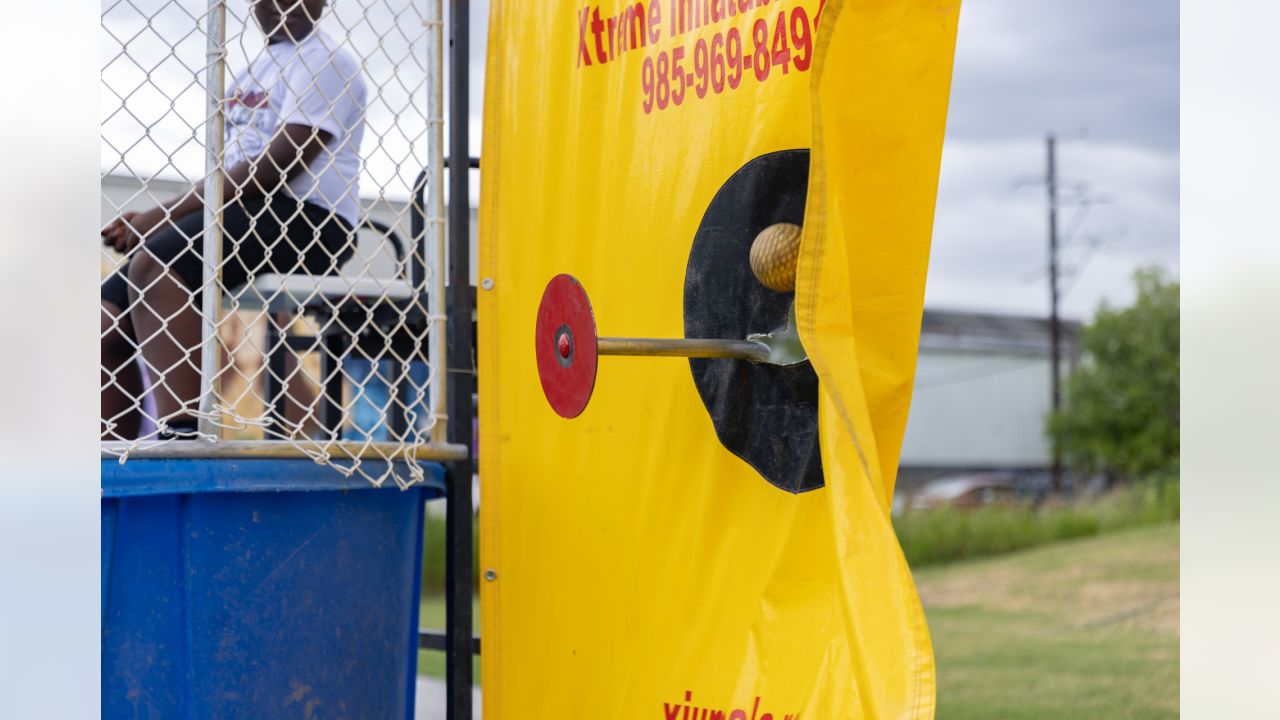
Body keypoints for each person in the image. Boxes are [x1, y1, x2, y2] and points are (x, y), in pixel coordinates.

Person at [101, 0, 367, 439]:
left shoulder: (327, 62)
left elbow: (280, 163)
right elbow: (230, 172)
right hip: (243, 214)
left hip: (310, 221)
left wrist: (160, 216)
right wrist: (157, 221)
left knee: (155, 264)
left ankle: (182, 441)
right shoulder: (254, 69)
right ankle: (111, 470)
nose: (293, 3)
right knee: (107, 320)